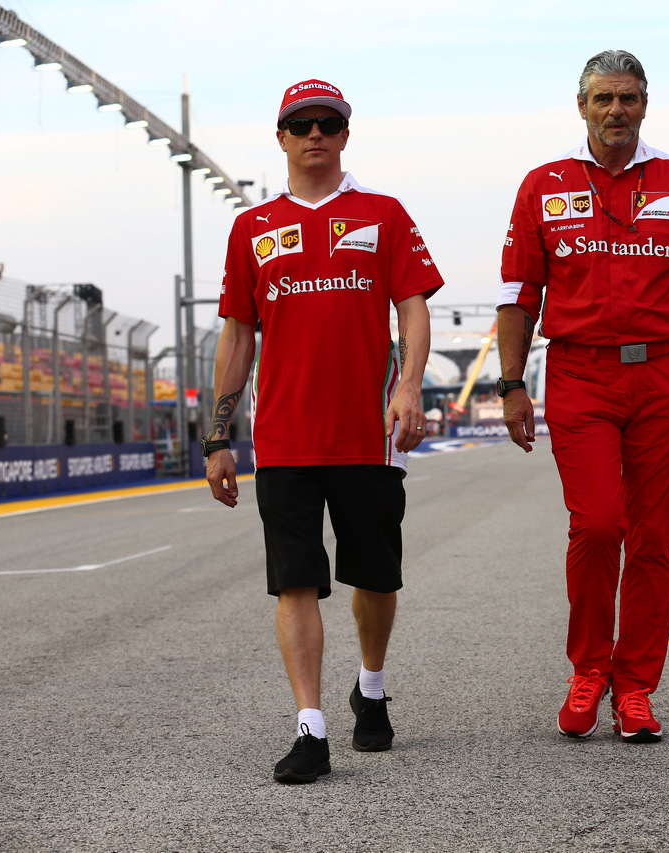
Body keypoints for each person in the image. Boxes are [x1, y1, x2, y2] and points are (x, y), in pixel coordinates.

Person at [496, 50, 669, 743]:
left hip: (664, 373)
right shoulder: (543, 185)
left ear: (645, 104)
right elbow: (518, 295)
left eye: (628, 98)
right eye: (603, 98)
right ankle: (588, 669)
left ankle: (635, 687)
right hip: (579, 374)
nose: (616, 111)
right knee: (600, 523)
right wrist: (512, 385)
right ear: (581, 107)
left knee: (654, 537)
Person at [205, 79, 443, 783]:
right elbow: (237, 337)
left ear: (345, 134)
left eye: (328, 123)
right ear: (280, 137)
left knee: (375, 577)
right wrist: (220, 435)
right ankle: (310, 727)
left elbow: (414, 309)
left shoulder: (385, 214)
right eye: (300, 123)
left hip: (369, 436)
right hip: (283, 440)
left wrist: (407, 385)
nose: (315, 134)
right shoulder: (251, 229)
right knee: (295, 582)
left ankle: (370, 686)